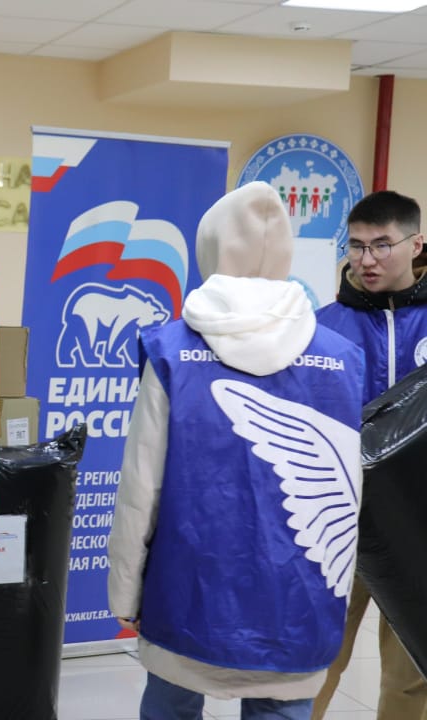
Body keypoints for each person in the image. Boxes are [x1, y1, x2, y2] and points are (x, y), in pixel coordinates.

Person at [107, 181, 366, 720]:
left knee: (171, 703)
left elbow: (141, 490)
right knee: (281, 706)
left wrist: (124, 593)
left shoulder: (171, 352)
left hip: (186, 595)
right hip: (298, 600)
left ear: (210, 250)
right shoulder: (343, 358)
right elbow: (346, 501)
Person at [312, 189, 427, 720]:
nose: (367, 259)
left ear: (416, 244)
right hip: (338, 516)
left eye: (382, 245)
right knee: (314, 658)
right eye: (357, 246)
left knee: (410, 675)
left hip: (418, 522)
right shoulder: (320, 328)